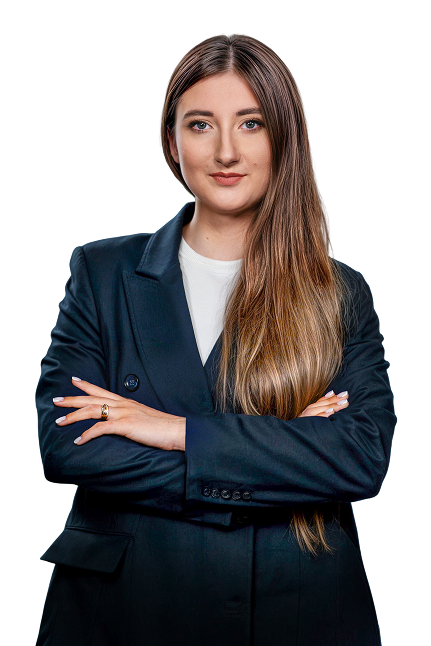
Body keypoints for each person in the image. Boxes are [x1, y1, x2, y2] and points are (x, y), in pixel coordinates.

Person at [35, 33, 397, 646]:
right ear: (171, 140)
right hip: (125, 610)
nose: (226, 150)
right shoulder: (101, 272)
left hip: (292, 613)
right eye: (200, 124)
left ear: (285, 137)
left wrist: (175, 430)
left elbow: (359, 458)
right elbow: (68, 445)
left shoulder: (339, 292)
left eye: (251, 123)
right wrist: (285, 446)